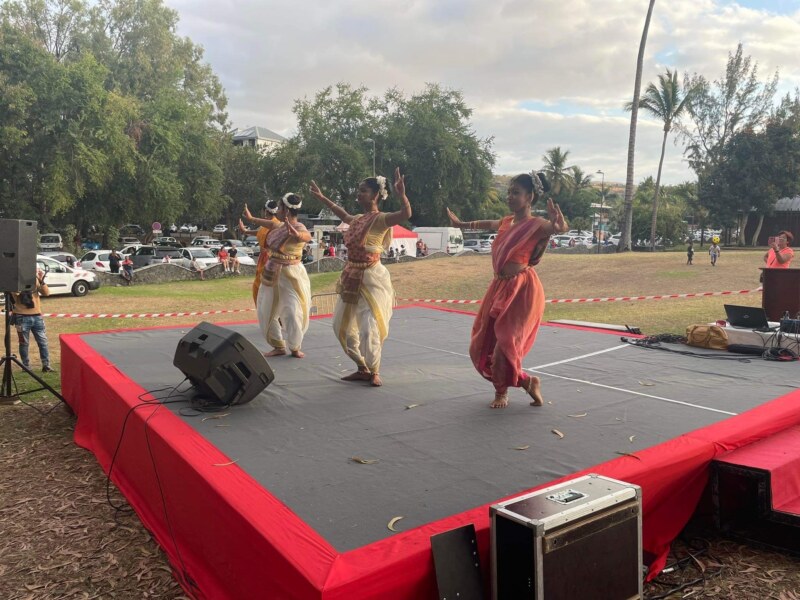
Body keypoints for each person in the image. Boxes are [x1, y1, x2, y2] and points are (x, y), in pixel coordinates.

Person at [447, 172, 567, 409]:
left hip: (521, 291)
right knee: (484, 342)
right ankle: (527, 382)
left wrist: (559, 224)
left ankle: (501, 392)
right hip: (499, 287)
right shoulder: (506, 222)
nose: (510, 197)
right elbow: (487, 223)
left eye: (516, 193)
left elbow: (557, 228)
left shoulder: (536, 225)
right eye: (509, 192)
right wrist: (462, 225)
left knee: (505, 342)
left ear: (529, 197)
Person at [309, 167, 412, 387]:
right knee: (341, 327)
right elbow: (341, 213)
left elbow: (405, 215)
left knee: (368, 328)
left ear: (375, 195)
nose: (358, 194)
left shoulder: (381, 219)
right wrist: (322, 198)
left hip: (372, 278)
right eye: (358, 190)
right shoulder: (356, 219)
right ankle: (362, 367)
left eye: (363, 191)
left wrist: (402, 195)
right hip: (351, 276)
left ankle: (374, 370)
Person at [243, 193, 312, 358]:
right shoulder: (278, 225)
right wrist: (251, 218)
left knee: (293, 311)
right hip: (271, 270)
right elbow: (262, 223)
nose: (277, 210)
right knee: (266, 310)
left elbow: (307, 236)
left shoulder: (299, 227)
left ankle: (295, 346)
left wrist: (297, 235)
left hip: (291, 274)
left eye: (280, 207)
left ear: (286, 210)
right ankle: (278, 345)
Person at [11, 268, 53, 372]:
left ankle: (46, 365)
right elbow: (15, 294)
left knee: (43, 342)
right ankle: (26, 366)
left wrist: (40, 279)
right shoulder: (15, 280)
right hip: (21, 316)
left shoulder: (35, 279)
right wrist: (23, 282)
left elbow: (46, 293)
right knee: (24, 343)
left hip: (37, 316)